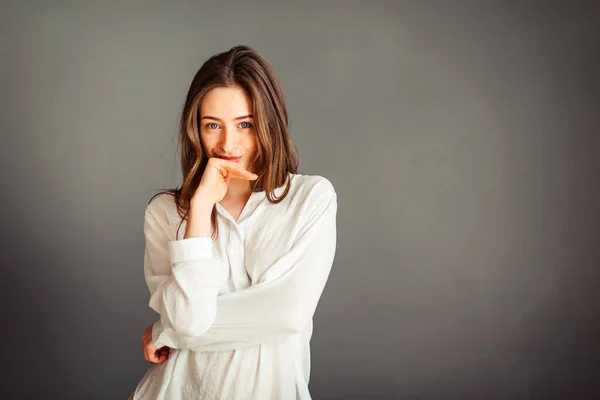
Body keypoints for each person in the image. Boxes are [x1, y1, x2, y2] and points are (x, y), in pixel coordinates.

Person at [129, 45, 338, 400]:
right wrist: (199, 210)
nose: (228, 143)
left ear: (268, 125)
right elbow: (189, 320)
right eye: (213, 125)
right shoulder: (166, 213)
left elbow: (286, 314)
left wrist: (167, 331)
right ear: (195, 129)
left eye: (245, 124)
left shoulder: (309, 200)